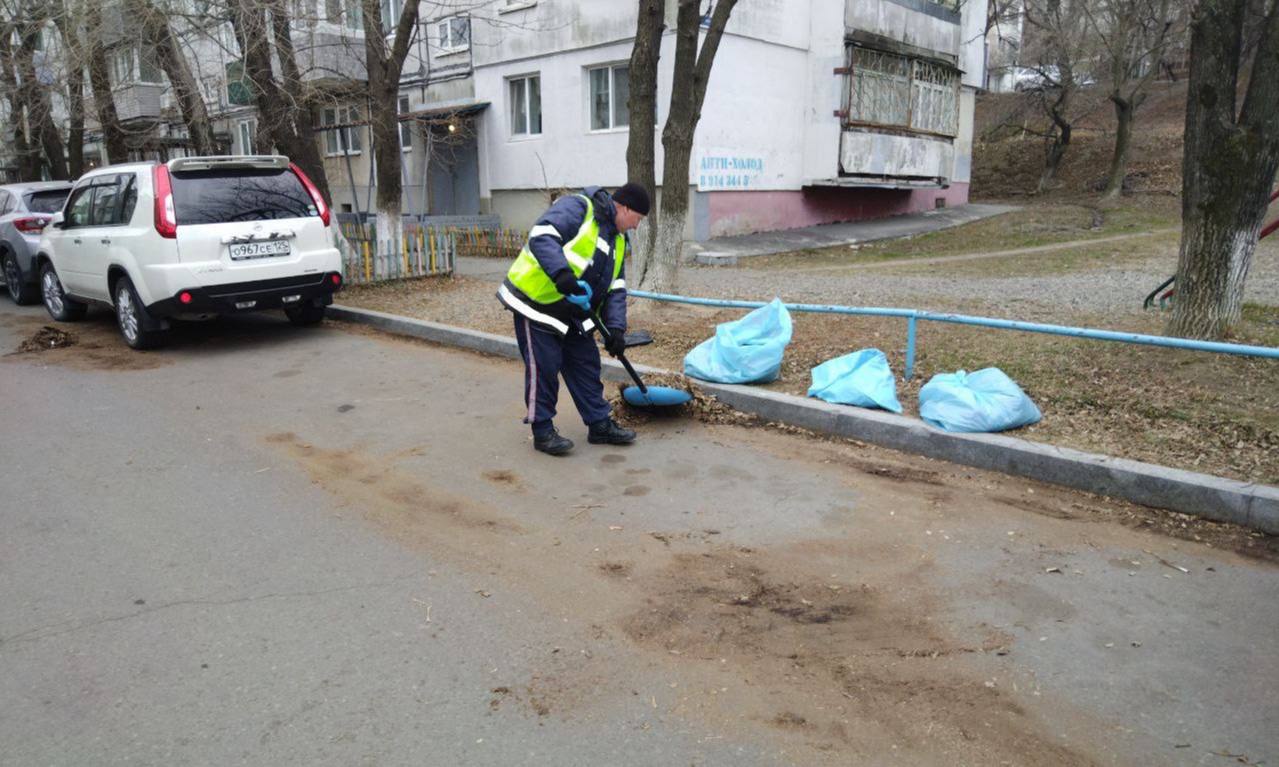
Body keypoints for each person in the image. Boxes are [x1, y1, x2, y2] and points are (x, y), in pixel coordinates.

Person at [497, 182, 650, 456]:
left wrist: (615, 330)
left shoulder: (617, 239)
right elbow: (542, 235)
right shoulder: (579, 208)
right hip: (537, 302)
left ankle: (599, 425)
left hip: (575, 315)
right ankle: (542, 431)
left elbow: (615, 286)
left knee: (586, 365)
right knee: (544, 367)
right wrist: (563, 276)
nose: (636, 226)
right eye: (637, 219)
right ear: (624, 207)